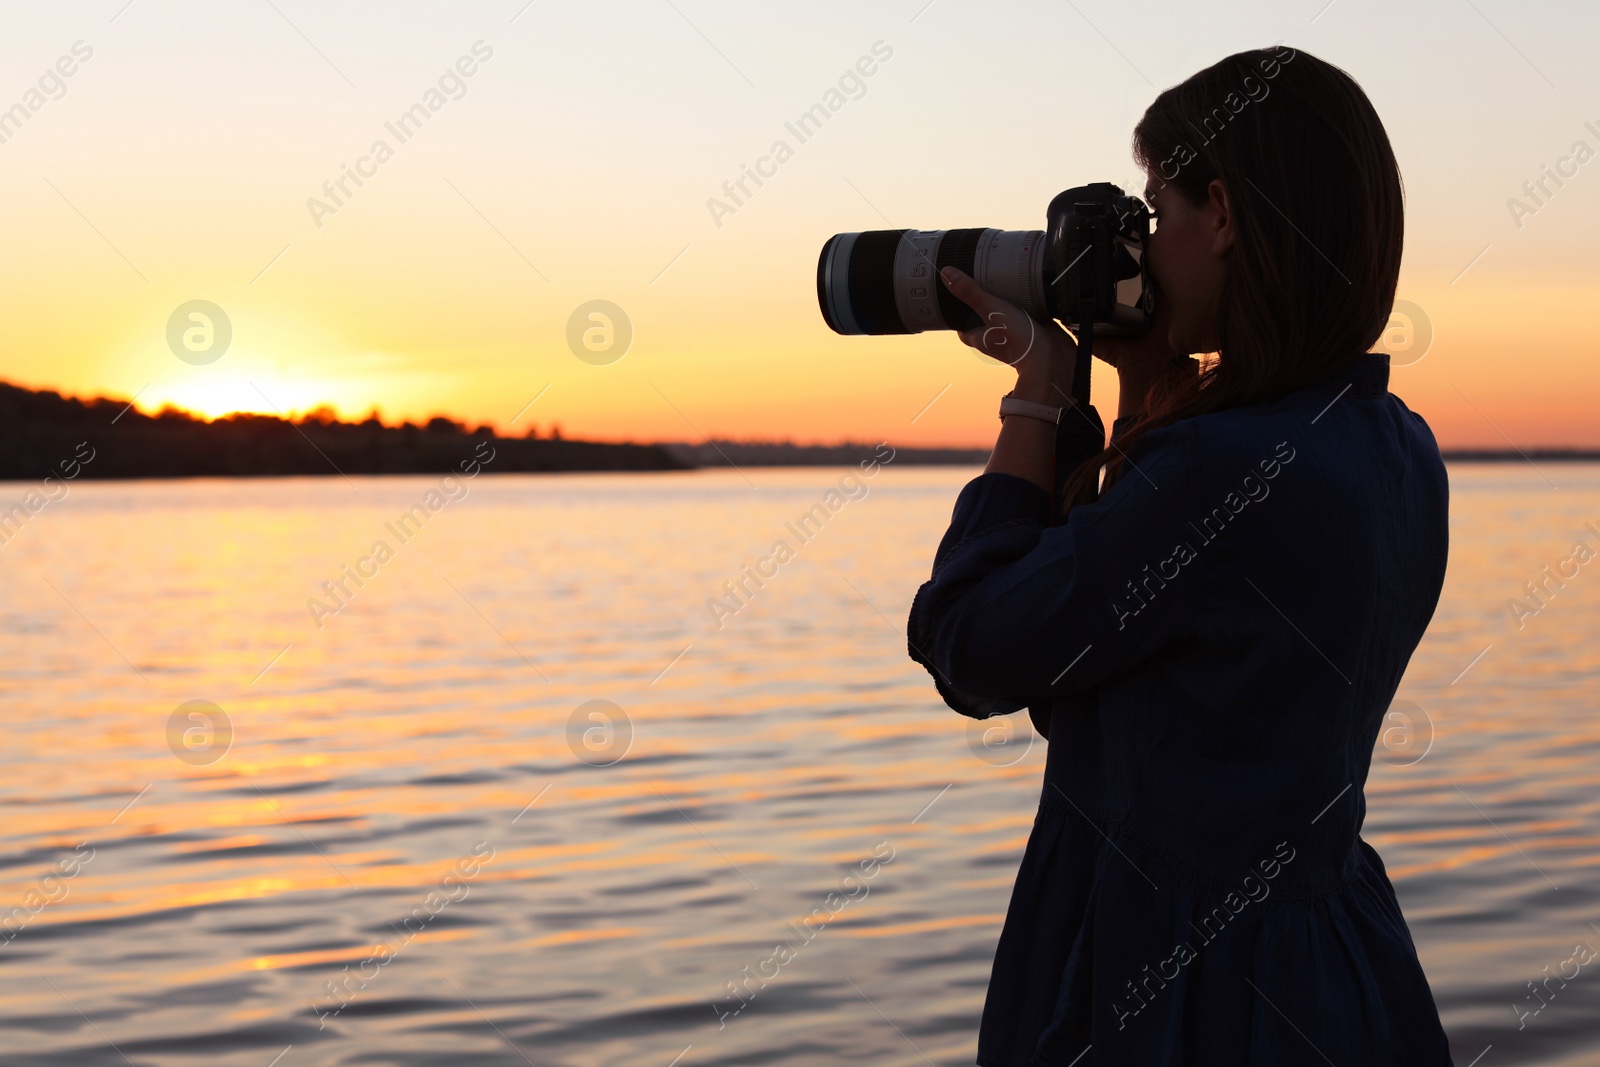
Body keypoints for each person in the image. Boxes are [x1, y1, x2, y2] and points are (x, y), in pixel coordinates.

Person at [907, 46, 1454, 1066]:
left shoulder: (1215, 472)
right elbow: (1147, 656)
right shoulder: (1394, 446)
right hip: (1330, 958)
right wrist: (1143, 382)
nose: (1141, 248)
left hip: (1174, 989)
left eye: (1156, 212)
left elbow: (977, 646)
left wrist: (1035, 394)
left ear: (1227, 215)